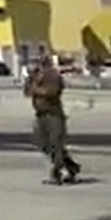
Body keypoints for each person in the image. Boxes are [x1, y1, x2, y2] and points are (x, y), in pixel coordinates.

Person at [24, 54, 82, 185]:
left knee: (56, 143)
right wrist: (31, 81)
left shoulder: (53, 76)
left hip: (54, 115)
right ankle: (72, 166)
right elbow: (27, 92)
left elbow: (52, 92)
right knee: (43, 143)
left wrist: (36, 89)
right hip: (40, 114)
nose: (37, 65)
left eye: (40, 62)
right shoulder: (35, 76)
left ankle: (56, 172)